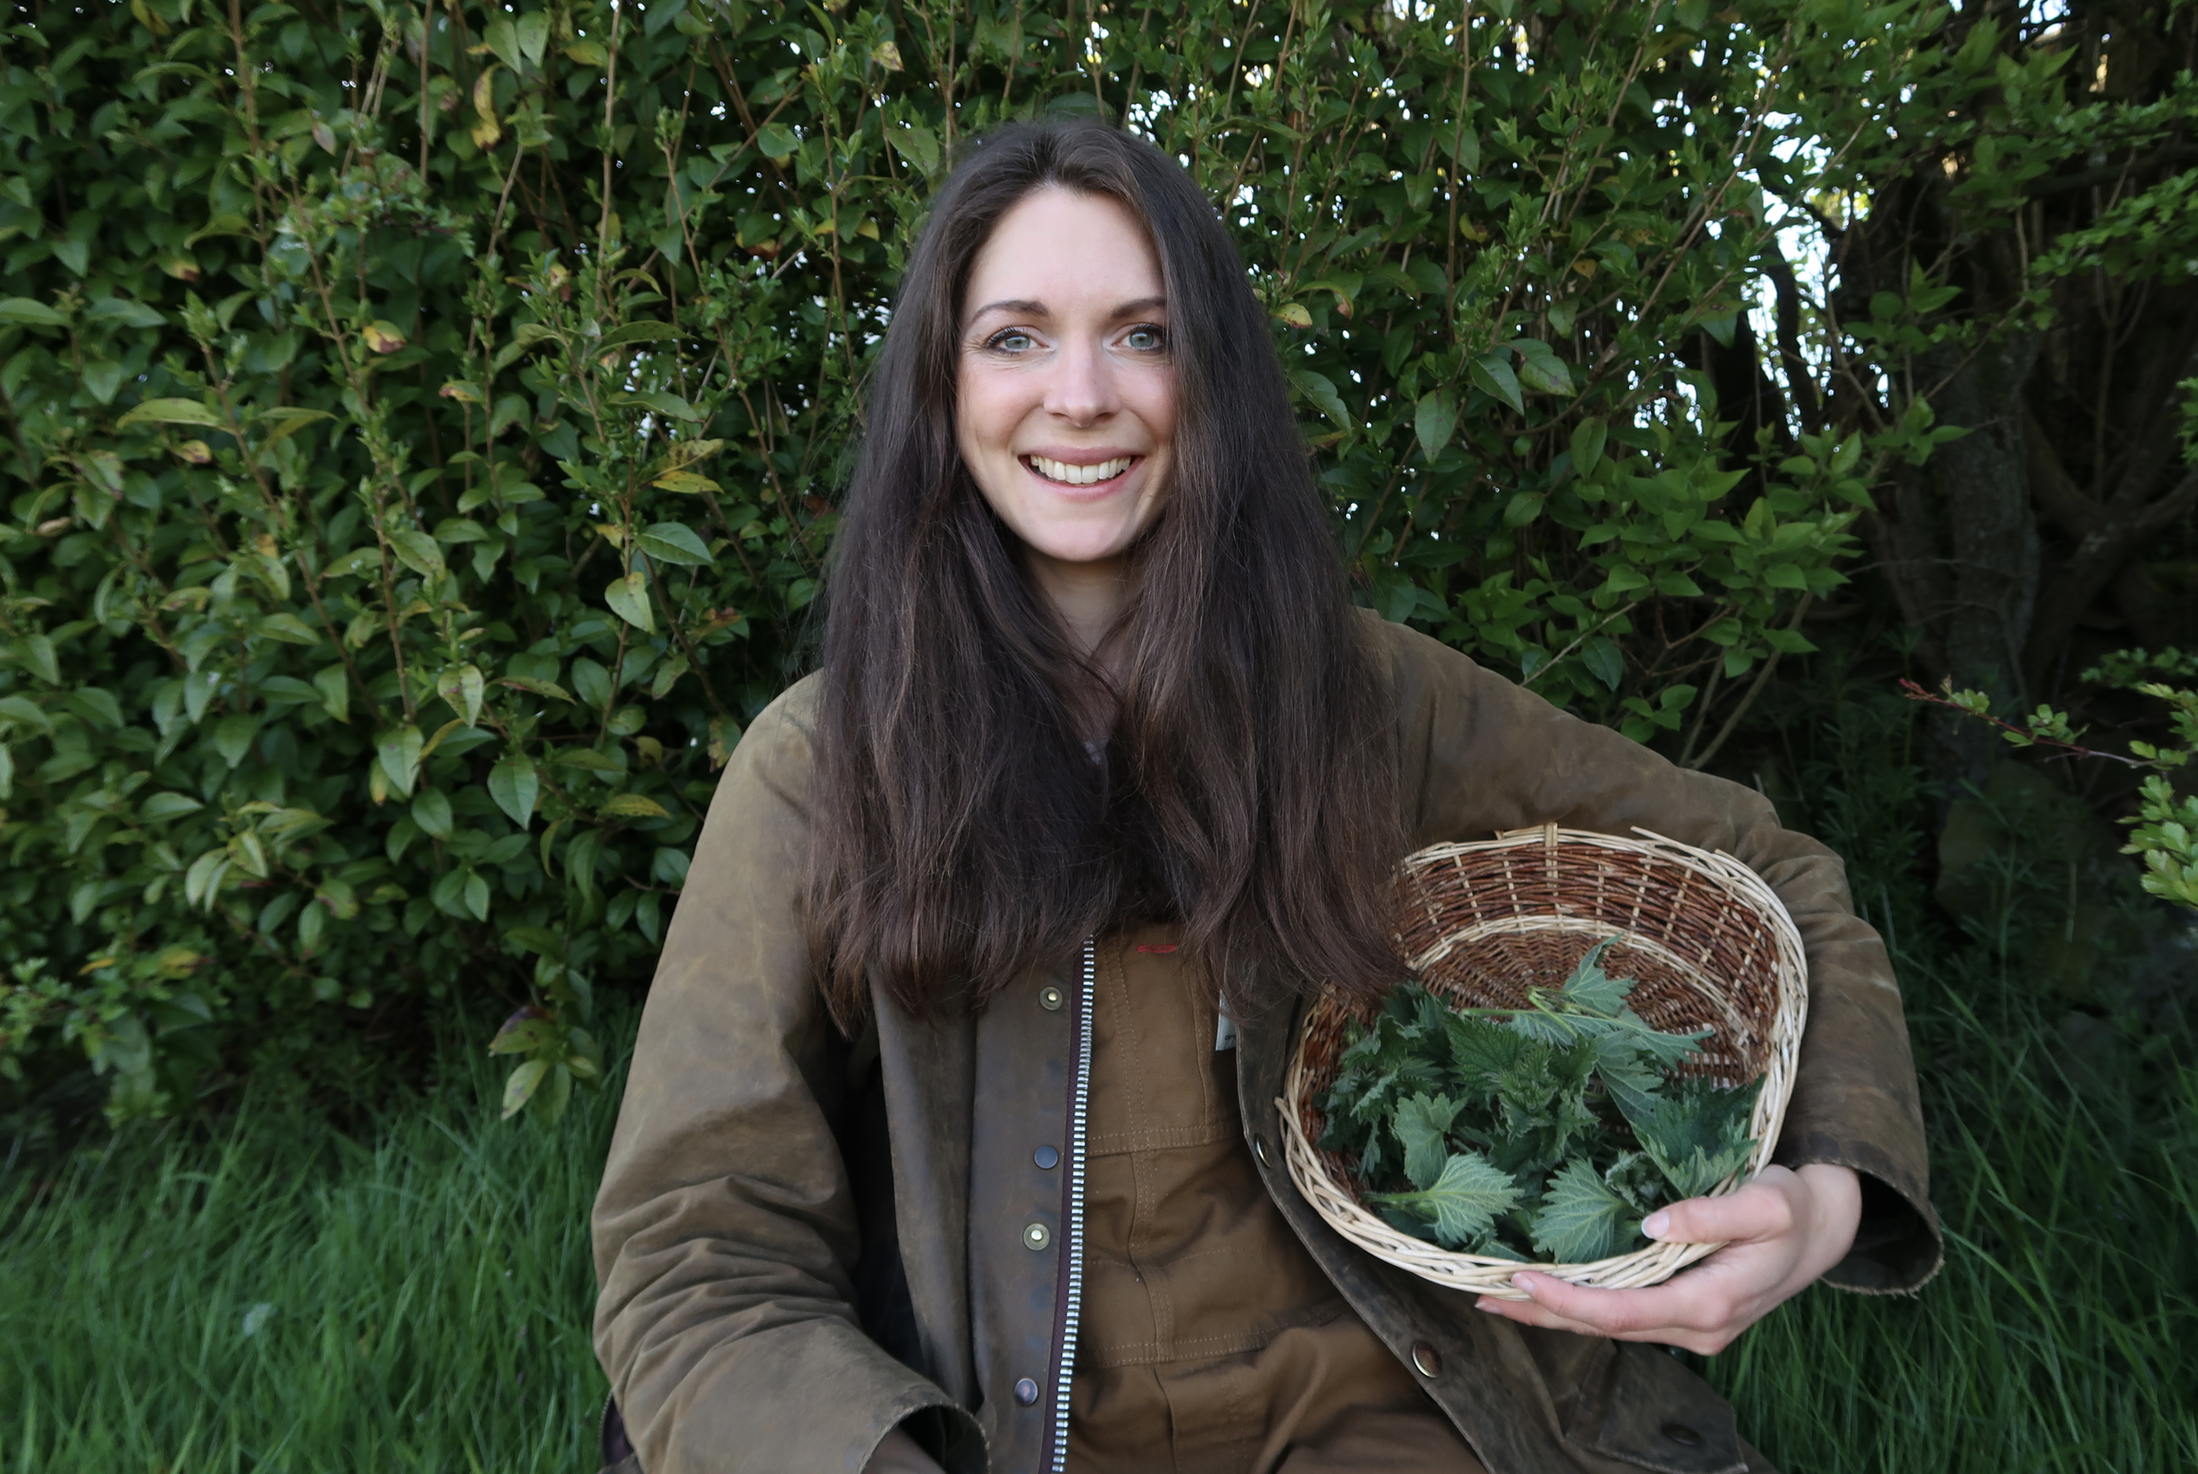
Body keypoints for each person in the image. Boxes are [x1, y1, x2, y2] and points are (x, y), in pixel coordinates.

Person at [590, 120, 1938, 1474]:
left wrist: (1824, 1191)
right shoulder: (824, 766)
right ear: (939, 389)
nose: (1078, 394)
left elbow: (1775, 880)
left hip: (1404, 1425)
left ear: (1212, 376)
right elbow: (693, 1252)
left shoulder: (1368, 699)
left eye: (1142, 333)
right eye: (1013, 338)